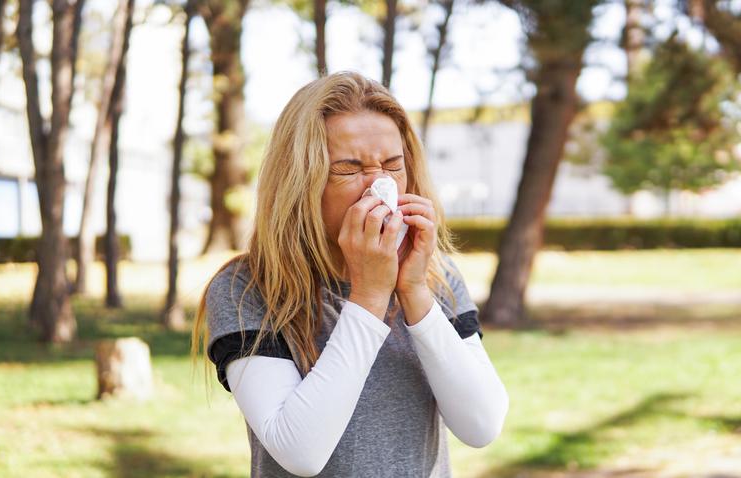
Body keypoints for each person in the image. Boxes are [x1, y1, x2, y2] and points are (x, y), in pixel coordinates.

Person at [190, 71, 509, 478]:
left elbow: (481, 426)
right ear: (300, 180)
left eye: (393, 166)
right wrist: (370, 296)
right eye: (348, 168)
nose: (379, 187)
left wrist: (413, 291)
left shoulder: (435, 275)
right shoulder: (246, 288)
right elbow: (301, 452)